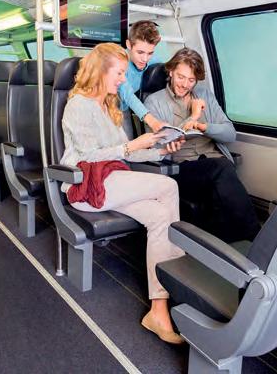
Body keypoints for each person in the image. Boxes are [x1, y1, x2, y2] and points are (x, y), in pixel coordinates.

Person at [60, 43, 185, 344]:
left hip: (112, 180)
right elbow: (89, 156)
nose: (122, 80)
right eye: (118, 73)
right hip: (86, 184)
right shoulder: (78, 105)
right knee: (169, 186)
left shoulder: (108, 106)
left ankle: (158, 309)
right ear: (100, 71)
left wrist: (159, 149)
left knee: (159, 215)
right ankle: (180, 283)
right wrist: (131, 146)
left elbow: (127, 153)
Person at [144, 48, 260, 243]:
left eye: (191, 80)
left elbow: (230, 134)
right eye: (181, 77)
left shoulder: (204, 95)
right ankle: (256, 237)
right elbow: (158, 145)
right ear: (171, 71)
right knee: (223, 167)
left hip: (213, 162)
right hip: (181, 168)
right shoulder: (154, 102)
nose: (185, 85)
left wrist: (203, 126)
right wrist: (194, 116)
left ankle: (221, 245)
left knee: (221, 175)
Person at [118, 20, 166, 132]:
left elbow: (173, 72)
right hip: (106, 107)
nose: (145, 59)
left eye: (150, 53)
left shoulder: (154, 60)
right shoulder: (119, 62)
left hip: (124, 108)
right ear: (128, 45)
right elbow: (127, 94)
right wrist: (152, 121)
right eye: (140, 52)